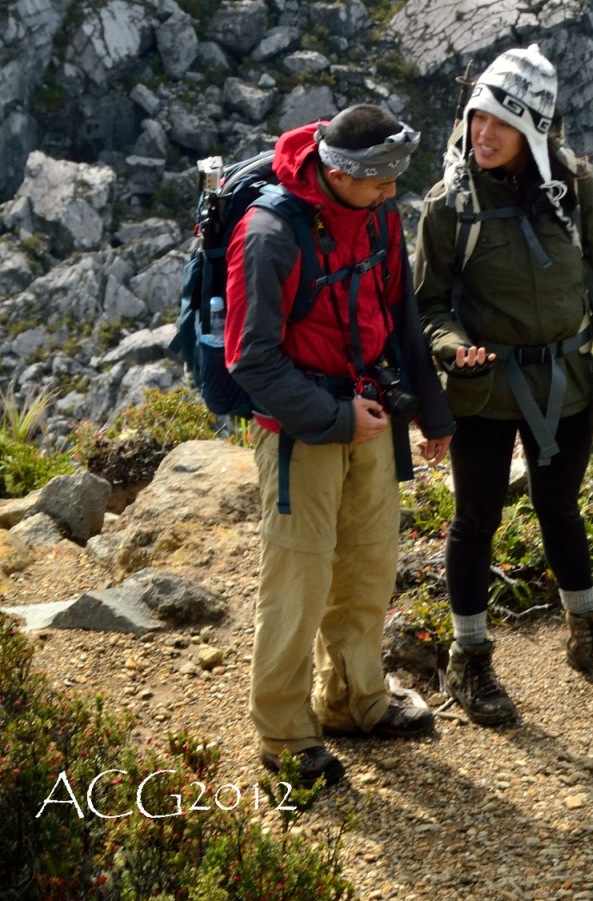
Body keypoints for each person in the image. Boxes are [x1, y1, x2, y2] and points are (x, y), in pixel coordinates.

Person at [225, 103, 456, 787]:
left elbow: (401, 317)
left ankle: (356, 701)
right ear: (338, 171)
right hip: (303, 432)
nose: (392, 193)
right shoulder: (268, 234)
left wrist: (432, 411)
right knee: (297, 581)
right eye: (380, 181)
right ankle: (285, 736)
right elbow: (250, 360)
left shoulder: (379, 216)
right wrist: (333, 418)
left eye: (394, 181)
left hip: (371, 415)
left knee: (368, 565)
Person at [415, 44, 593, 727]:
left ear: (534, 132)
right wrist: (452, 350)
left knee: (559, 505)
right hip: (485, 389)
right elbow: (426, 304)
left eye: (501, 124)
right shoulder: (449, 202)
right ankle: (470, 655)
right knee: (475, 518)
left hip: (565, 382)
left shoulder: (575, 189)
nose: (482, 133)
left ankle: (585, 632)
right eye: (476, 115)